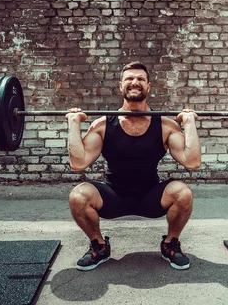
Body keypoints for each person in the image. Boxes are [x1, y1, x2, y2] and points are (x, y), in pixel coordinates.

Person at [65, 61, 201, 271]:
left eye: (140, 79)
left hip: (151, 196)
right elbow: (78, 163)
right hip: (113, 195)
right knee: (78, 196)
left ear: (148, 86)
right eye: (129, 79)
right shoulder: (102, 125)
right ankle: (98, 245)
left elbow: (192, 161)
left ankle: (170, 244)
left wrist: (189, 122)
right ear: (121, 86)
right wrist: (74, 123)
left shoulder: (165, 125)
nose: (134, 82)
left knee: (183, 193)